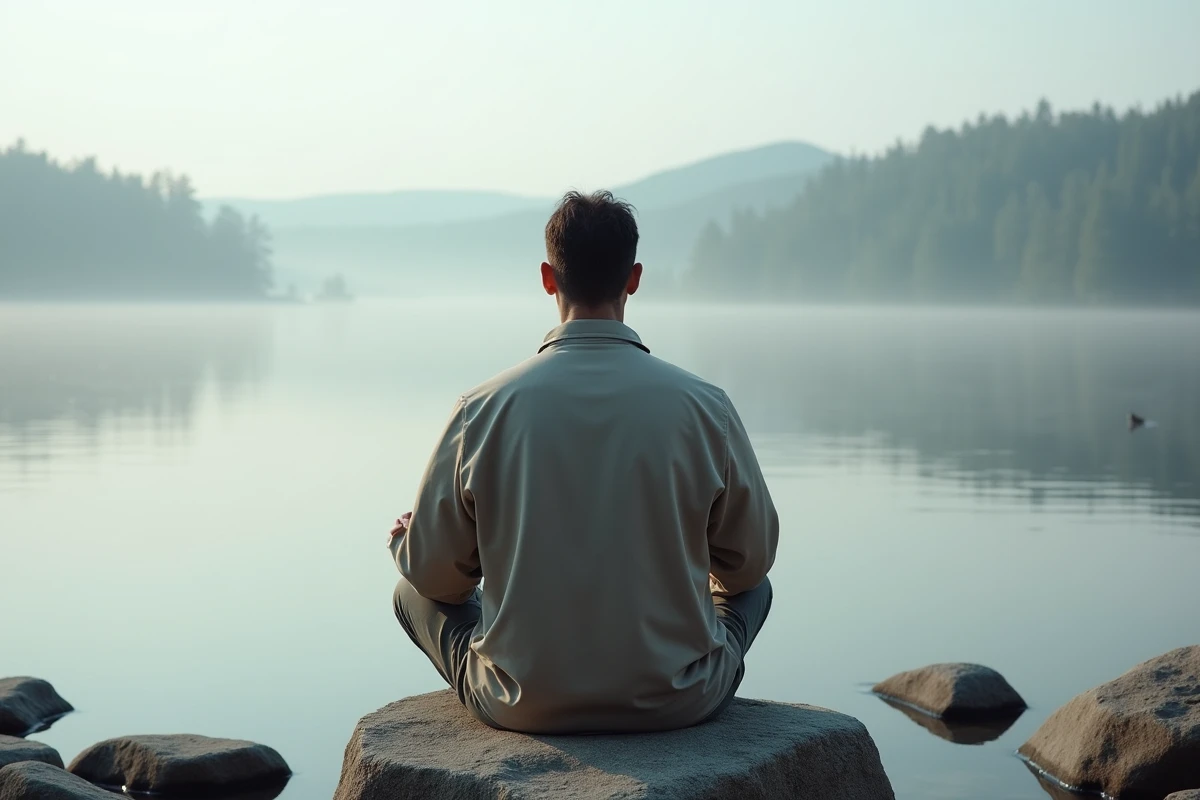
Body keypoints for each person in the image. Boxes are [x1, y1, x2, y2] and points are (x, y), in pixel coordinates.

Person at [387, 190, 779, 734]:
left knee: (410, 588)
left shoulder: (482, 409)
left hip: (520, 703)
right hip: (678, 699)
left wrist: (410, 541)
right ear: (634, 277)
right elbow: (749, 566)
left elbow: (436, 579)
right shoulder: (704, 407)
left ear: (548, 278)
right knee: (755, 590)